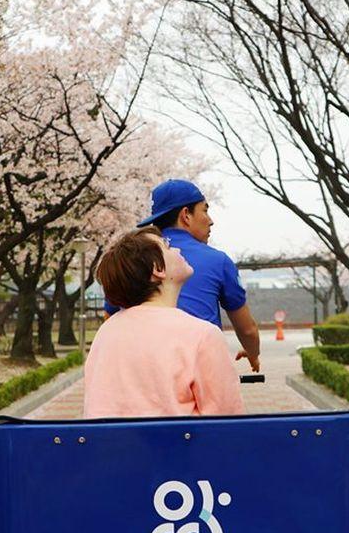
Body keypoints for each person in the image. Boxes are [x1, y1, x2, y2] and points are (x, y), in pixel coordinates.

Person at [84, 226, 245, 418]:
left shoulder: (106, 333)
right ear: (157, 269)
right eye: (167, 247)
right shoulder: (202, 335)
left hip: (108, 446)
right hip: (180, 447)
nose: (177, 249)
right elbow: (227, 423)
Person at [104, 179, 262, 371]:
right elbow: (247, 329)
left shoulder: (131, 258)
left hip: (143, 369)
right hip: (200, 367)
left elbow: (110, 317)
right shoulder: (217, 260)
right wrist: (253, 353)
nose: (211, 220)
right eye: (204, 210)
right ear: (186, 215)